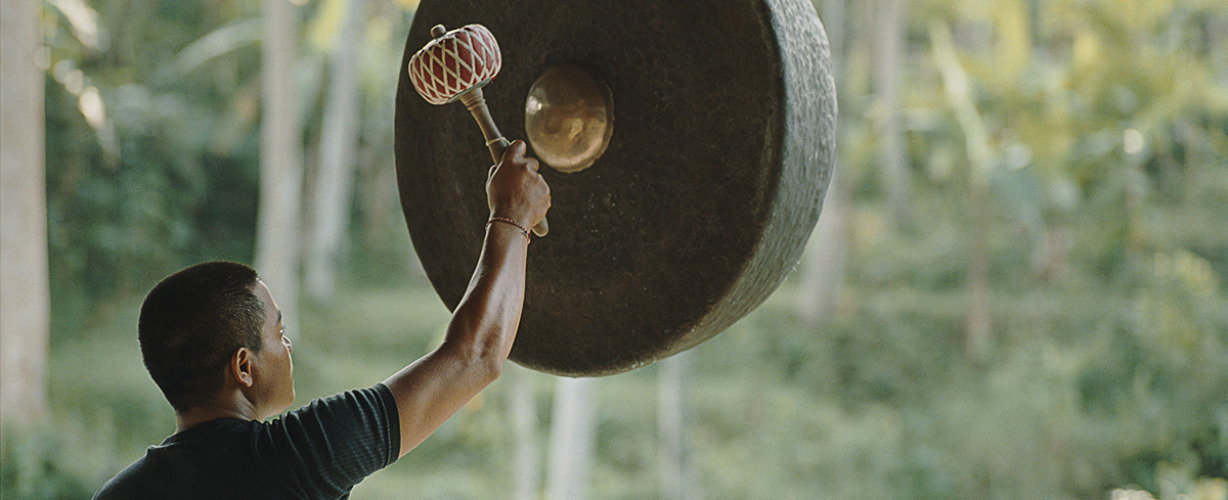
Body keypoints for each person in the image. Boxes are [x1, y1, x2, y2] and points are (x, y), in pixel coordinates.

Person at [94, 140, 550, 499]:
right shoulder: (294, 458)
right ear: (243, 367)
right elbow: (476, 357)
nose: (287, 347)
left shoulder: (118, 494)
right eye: (279, 332)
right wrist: (513, 215)